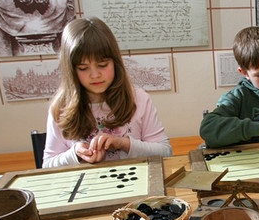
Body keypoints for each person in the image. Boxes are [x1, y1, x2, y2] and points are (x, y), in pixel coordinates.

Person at [43, 17, 172, 168]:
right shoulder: (61, 107)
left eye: (102, 65)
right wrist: (76, 154)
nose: (95, 75)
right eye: (83, 68)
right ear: (71, 70)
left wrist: (123, 144)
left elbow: (165, 152)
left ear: (115, 62)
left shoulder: (138, 99)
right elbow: (47, 165)